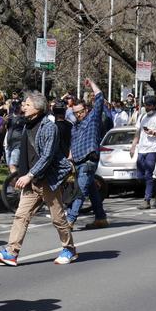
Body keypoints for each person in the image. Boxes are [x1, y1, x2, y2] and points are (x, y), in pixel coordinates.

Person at [0, 91, 75, 267]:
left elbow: (47, 156)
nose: (23, 107)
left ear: (37, 107)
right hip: (33, 181)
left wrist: (29, 175)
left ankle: (69, 249)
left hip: (48, 180)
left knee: (57, 218)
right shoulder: (28, 125)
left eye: (27, 104)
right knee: (21, 215)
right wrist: (24, 174)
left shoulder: (49, 127)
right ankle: (11, 253)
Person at [67, 79, 108, 229]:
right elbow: (72, 143)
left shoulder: (93, 118)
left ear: (86, 110)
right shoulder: (75, 127)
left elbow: (100, 97)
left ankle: (70, 220)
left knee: (80, 192)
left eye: (80, 111)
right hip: (77, 161)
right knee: (91, 189)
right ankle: (100, 218)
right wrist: (70, 158)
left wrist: (91, 83)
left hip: (88, 161)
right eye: (75, 113)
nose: (78, 115)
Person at [130, 95, 156, 209]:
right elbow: (138, 133)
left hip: (153, 149)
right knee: (141, 176)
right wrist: (133, 146)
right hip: (141, 150)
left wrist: (154, 133)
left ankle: (147, 200)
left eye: (149, 105)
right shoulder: (142, 117)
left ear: (154, 106)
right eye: (146, 105)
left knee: (148, 174)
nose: (147, 107)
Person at [5, 100, 25, 173]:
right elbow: (3, 130)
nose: (15, 108)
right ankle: (12, 181)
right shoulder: (9, 118)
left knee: (13, 165)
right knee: (9, 165)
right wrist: (4, 122)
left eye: (17, 106)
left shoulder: (23, 118)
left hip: (18, 144)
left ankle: (15, 183)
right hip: (9, 144)